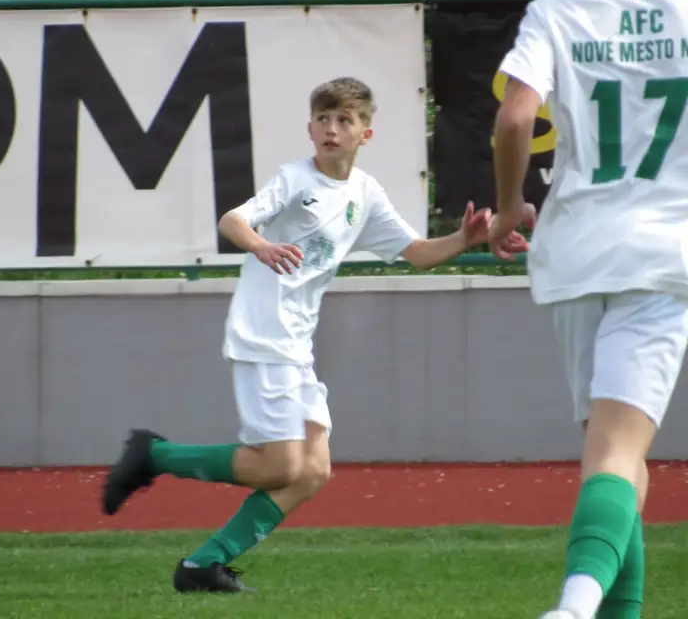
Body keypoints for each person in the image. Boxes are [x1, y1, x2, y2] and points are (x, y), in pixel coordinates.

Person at [102, 76, 528, 593]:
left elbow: (415, 252)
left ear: (364, 134)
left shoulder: (364, 193)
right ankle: (155, 456)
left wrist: (464, 238)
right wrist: (260, 245)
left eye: (344, 120)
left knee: (312, 471)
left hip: (295, 345)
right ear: (310, 128)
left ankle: (202, 566)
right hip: (264, 334)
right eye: (324, 119)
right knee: (280, 464)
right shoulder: (296, 181)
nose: (332, 128)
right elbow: (232, 219)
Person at [488, 0, 688, 617]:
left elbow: (516, 116)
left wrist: (510, 204)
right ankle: (575, 606)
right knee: (617, 453)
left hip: (577, 248)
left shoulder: (557, 10)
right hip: (664, 252)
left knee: (610, 454)